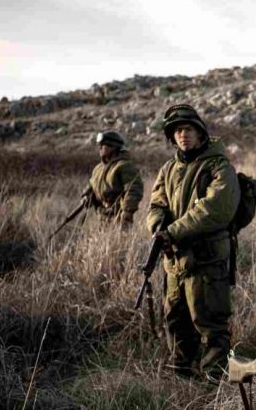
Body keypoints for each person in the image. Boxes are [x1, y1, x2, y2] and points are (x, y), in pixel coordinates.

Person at [146, 104, 240, 380]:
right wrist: (158, 226)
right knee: (175, 319)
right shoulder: (168, 169)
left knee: (210, 322)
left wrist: (173, 232)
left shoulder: (219, 166)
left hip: (207, 259)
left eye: (187, 129)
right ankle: (181, 375)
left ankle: (214, 381)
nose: (182, 135)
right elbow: (156, 204)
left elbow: (215, 209)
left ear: (200, 133)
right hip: (175, 260)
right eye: (177, 131)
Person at [85, 130, 143, 226]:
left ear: (113, 147)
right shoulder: (98, 168)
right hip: (102, 215)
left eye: (103, 145)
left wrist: (127, 212)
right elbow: (92, 185)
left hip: (119, 216)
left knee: (119, 236)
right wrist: (86, 195)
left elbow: (134, 190)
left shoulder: (124, 166)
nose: (100, 148)